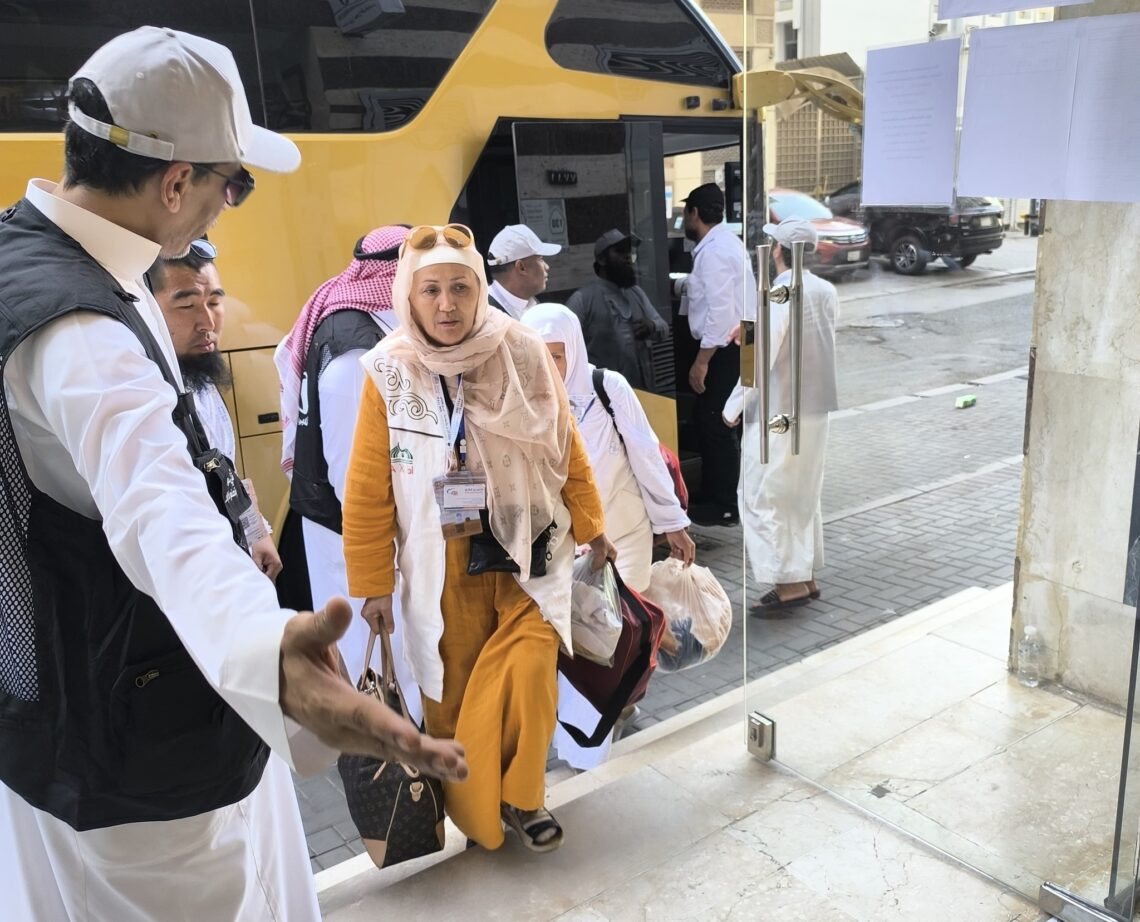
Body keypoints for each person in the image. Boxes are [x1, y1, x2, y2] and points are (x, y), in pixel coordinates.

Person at [0, 27, 465, 922]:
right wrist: (269, 654)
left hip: (62, 721)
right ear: (176, 183)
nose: (227, 207)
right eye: (233, 184)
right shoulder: (84, 333)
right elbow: (158, 511)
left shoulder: (40, 258)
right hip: (139, 768)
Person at [342, 224, 614, 853]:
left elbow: (566, 444)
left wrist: (593, 526)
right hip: (440, 562)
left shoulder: (521, 350)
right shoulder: (387, 371)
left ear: (479, 289)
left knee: (531, 671)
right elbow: (367, 491)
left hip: (528, 551)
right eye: (431, 289)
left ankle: (523, 794)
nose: (447, 304)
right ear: (409, 296)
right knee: (456, 695)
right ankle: (478, 813)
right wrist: (374, 585)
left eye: (460, 287)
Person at [522, 303, 695, 770]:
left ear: (574, 351)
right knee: (578, 641)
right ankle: (594, 723)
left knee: (618, 633)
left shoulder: (606, 388)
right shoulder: (521, 401)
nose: (548, 366)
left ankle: (613, 712)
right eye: (538, 355)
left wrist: (673, 523)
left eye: (557, 355)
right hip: (565, 548)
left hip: (625, 535)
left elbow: (646, 456)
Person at [274, 225, 422, 720]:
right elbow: (350, 476)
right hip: (357, 537)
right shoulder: (354, 350)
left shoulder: (370, 326)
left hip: (366, 535)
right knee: (383, 668)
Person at [723, 217, 838, 613]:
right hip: (815, 410)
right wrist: (750, 329)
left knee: (762, 495)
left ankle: (788, 584)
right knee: (801, 495)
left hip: (779, 413)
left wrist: (732, 407)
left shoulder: (779, 293)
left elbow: (759, 357)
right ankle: (804, 576)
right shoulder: (825, 290)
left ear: (777, 251)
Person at [150, 239, 282, 581]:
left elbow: (225, 468)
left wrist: (256, 531)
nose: (207, 321)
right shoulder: (146, 392)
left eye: (214, 302)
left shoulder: (201, 378)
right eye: (187, 305)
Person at [679, 182, 756, 527]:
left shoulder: (712, 252)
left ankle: (725, 505)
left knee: (717, 423)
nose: (685, 219)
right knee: (725, 422)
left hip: (728, 348)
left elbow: (721, 314)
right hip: (746, 341)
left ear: (694, 213)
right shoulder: (728, 243)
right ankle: (720, 495)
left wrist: (701, 362)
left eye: (686, 213)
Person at [568, 229, 669, 390]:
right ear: (602, 259)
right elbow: (564, 346)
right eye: (620, 252)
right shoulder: (583, 299)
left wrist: (651, 326)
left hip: (641, 391)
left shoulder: (636, 293)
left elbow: (663, 328)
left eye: (629, 252)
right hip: (602, 393)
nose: (627, 257)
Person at [485, 223, 561, 319]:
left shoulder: (530, 303)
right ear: (521, 267)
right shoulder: (483, 313)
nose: (547, 267)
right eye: (540, 259)